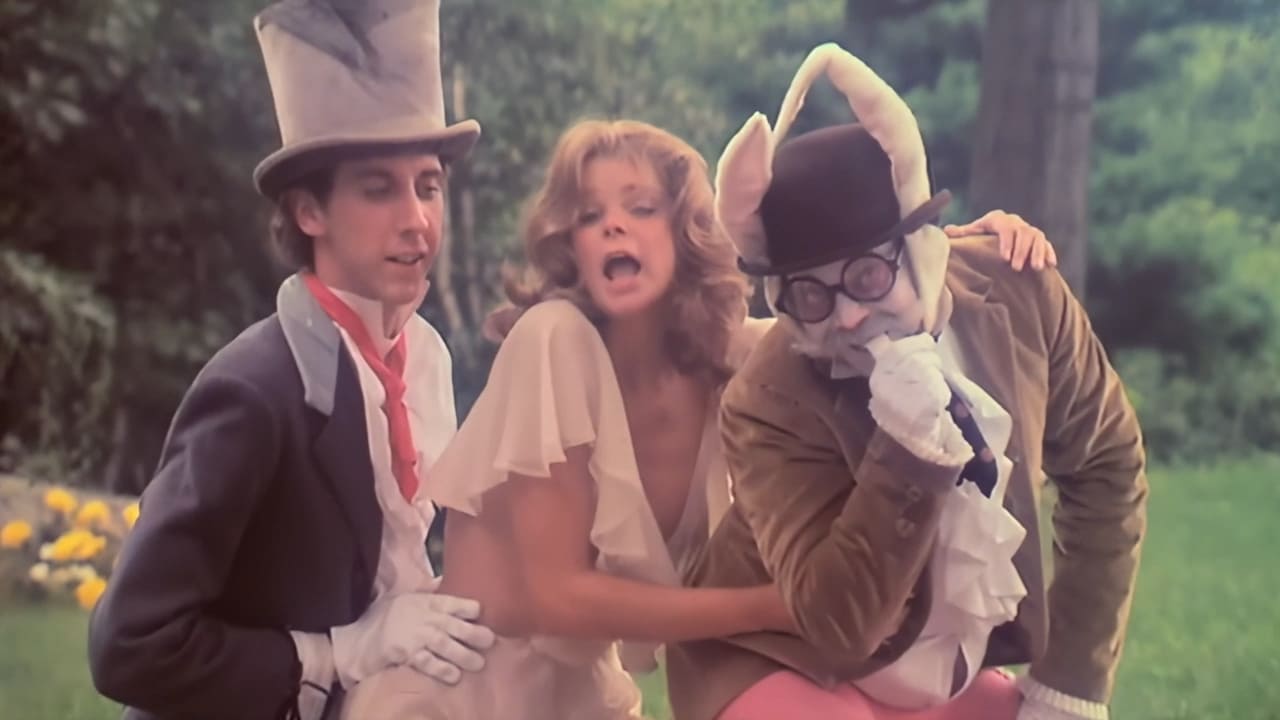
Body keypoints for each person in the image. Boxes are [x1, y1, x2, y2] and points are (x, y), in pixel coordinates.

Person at [338, 115, 1059, 719]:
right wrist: (777, 608)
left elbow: (852, 311)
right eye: (589, 216)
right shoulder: (552, 339)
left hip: (580, 701)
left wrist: (964, 250)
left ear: (687, 231)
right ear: (573, 247)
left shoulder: (730, 358)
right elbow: (556, 599)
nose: (613, 226)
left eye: (640, 208)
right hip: (457, 697)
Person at [664, 44, 1147, 720]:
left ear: (917, 247)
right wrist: (908, 446)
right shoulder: (765, 400)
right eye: (812, 295)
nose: (848, 316)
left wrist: (1069, 686)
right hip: (781, 654)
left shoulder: (1021, 291)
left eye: (867, 276)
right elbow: (838, 624)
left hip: (932, 664)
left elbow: (1107, 465)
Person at [87, 3, 496, 718]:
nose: (417, 220)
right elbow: (130, 645)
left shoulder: (424, 357)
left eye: (428, 185)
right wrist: (336, 652)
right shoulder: (254, 390)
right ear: (309, 212)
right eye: (378, 188)